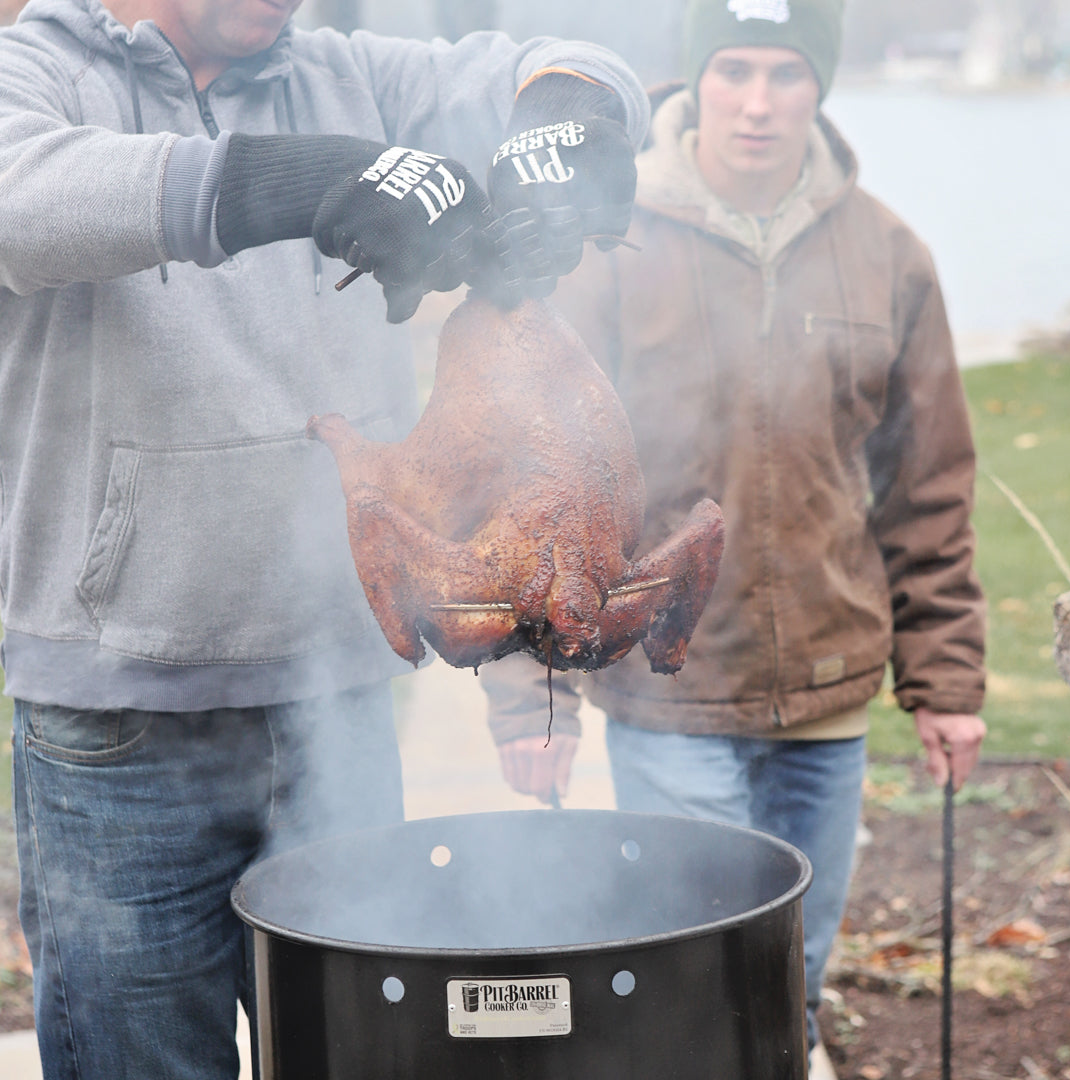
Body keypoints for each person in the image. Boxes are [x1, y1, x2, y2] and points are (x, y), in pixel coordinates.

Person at [0, 1, 647, 1076]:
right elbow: (19, 202)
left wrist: (567, 118)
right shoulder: (37, 67)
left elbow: (558, 61)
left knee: (351, 1053)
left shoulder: (355, 72)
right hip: (120, 717)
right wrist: (302, 182)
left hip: (333, 695)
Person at [482, 0, 988, 1058]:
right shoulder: (606, 248)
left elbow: (928, 487)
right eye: (735, 70)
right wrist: (535, 694)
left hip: (829, 695)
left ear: (820, 84)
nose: (758, 101)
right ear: (696, 78)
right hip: (670, 693)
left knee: (792, 975)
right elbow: (539, 487)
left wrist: (945, 683)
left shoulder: (889, 255)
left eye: (785, 73)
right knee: (700, 981)